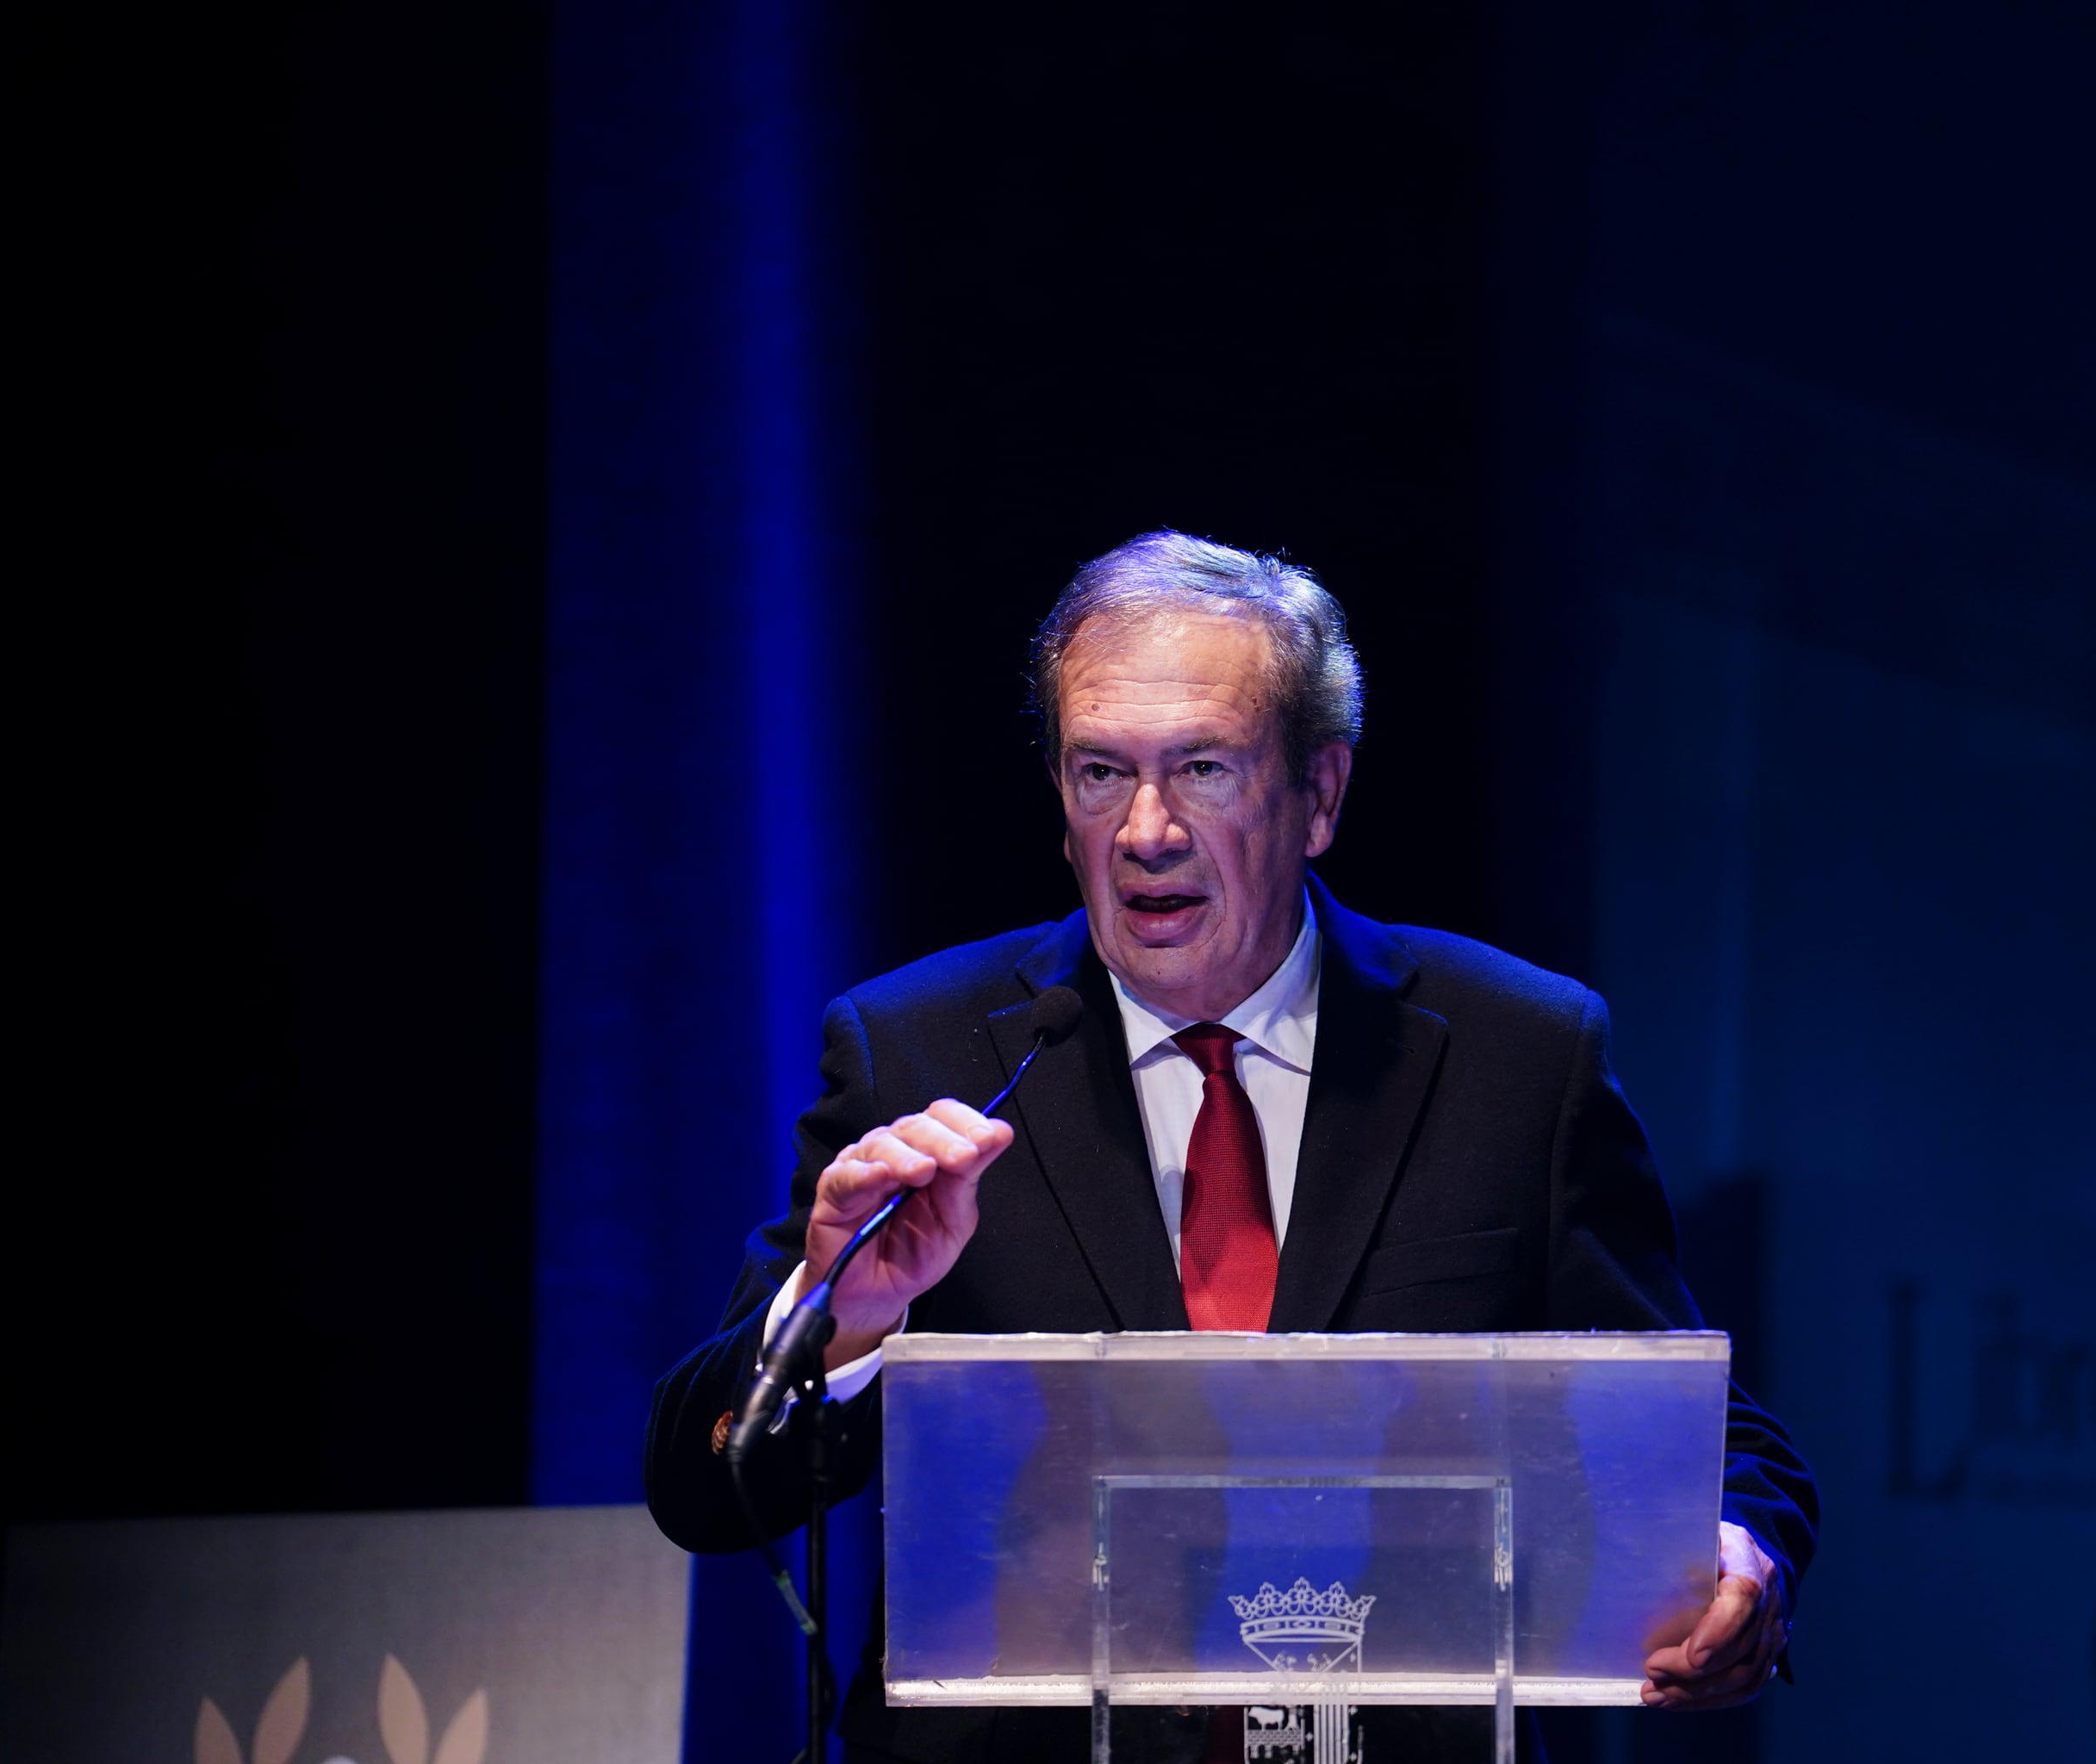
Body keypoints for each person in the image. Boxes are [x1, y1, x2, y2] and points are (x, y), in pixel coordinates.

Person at [646, 531, 1819, 1762]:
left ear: (1319, 794)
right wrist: (845, 1323)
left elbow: (1709, 1435)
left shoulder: (1517, 1056)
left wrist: (1742, 1553)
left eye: (1202, 768)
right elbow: (700, 1482)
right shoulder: (919, 1054)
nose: (1145, 829)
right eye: (1101, 772)